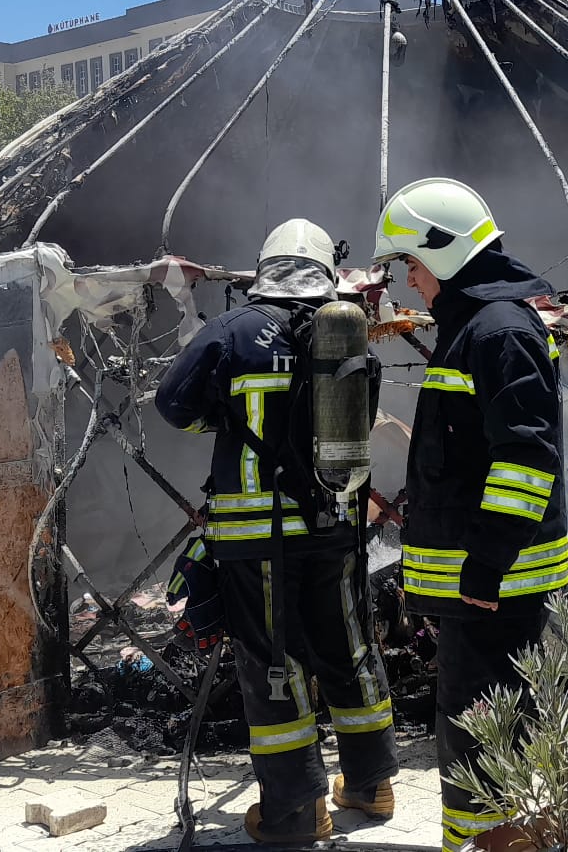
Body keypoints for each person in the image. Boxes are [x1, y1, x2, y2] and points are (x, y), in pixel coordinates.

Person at [155, 219, 398, 844]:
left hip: (256, 532)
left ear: (265, 269)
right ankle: (371, 786)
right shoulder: (349, 335)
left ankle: (295, 810)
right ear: (323, 272)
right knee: (349, 645)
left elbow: (173, 405)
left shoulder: (233, 332)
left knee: (274, 661)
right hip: (334, 525)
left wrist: (229, 423)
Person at [371, 178, 568, 852]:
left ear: (446, 252)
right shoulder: (478, 330)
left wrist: (486, 561)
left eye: (414, 264)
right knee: (476, 738)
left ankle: (487, 845)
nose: (413, 281)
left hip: (496, 588)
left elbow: (525, 459)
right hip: (482, 590)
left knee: (483, 744)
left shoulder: (499, 333)